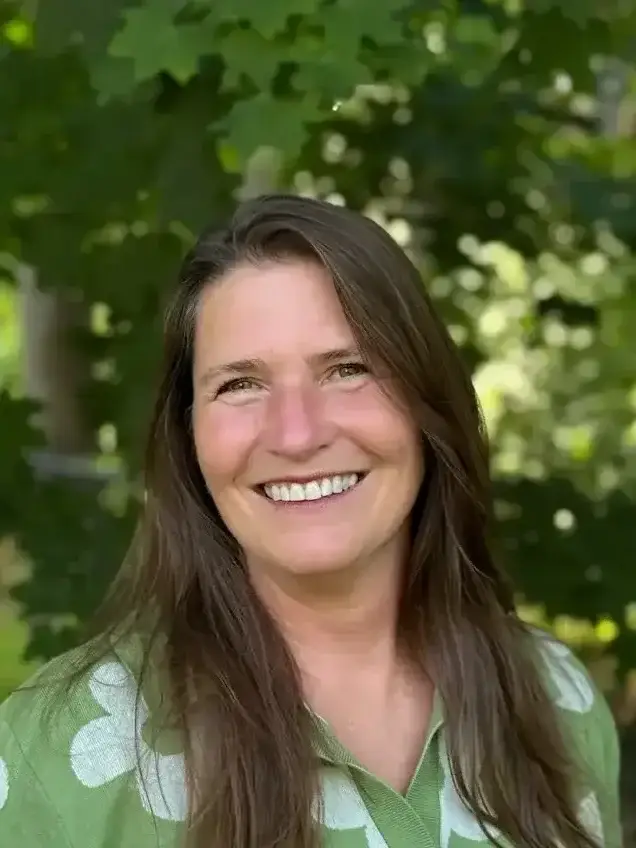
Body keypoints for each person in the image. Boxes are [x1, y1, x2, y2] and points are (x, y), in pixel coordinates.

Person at [0, 194, 621, 848]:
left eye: (348, 370)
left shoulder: (557, 700)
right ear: (188, 437)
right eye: (240, 384)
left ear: (425, 406)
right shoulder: (53, 755)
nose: (296, 434)